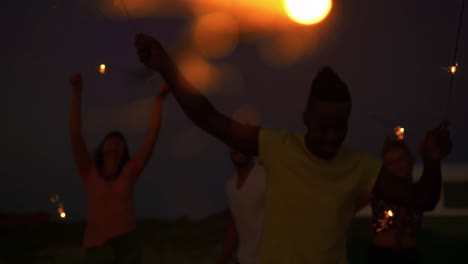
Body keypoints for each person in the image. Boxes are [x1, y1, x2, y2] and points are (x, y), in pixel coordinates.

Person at [133, 33, 452, 263]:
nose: (331, 136)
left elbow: (421, 199)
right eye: (323, 127)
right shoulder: (277, 145)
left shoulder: (359, 166)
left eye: (339, 128)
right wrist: (167, 67)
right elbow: (208, 117)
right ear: (305, 119)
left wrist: (432, 161)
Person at [69, 73, 169, 263]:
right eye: (110, 140)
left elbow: (152, 135)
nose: (115, 143)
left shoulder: (129, 172)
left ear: (124, 150)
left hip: (127, 245)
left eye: (120, 141)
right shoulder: (89, 172)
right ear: (102, 147)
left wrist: (159, 99)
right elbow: (75, 134)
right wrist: (76, 93)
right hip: (98, 246)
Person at [355, 136, 424, 263]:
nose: (397, 166)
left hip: (409, 255)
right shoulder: (379, 190)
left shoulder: (418, 192)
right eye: (390, 163)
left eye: (400, 160)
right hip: (382, 255)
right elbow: (351, 207)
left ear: (410, 161)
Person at [216, 149, 265, 264]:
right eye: (233, 144)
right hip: (244, 259)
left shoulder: (264, 176)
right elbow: (235, 226)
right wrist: (220, 259)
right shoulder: (230, 186)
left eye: (241, 144)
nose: (237, 148)